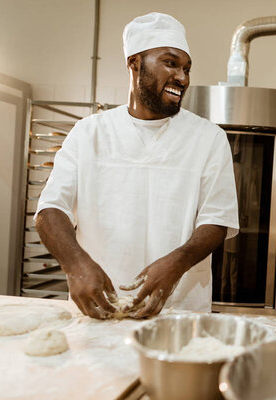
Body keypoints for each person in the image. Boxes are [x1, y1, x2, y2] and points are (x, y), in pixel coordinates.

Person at [35, 13, 239, 319]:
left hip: (177, 313)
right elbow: (51, 210)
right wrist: (75, 263)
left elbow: (216, 221)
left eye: (186, 69)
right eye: (170, 63)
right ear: (135, 63)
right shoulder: (90, 133)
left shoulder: (208, 138)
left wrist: (177, 264)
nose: (182, 78)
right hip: (98, 309)